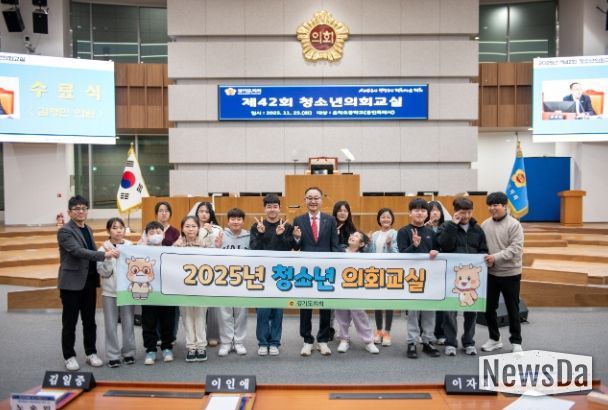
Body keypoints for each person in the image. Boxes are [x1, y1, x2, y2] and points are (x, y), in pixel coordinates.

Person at [58, 195, 119, 371]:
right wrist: (104, 254)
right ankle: (69, 356)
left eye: (84, 208)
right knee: (70, 322)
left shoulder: (88, 229)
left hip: (89, 282)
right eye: (77, 208)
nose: (81, 211)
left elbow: (90, 250)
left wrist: (104, 251)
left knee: (90, 321)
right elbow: (77, 251)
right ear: (69, 212)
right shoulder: (65, 231)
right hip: (71, 283)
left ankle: (91, 353)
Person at [436, 197, 489, 357]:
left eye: (468, 212)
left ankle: (469, 342)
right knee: (450, 310)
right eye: (462, 212)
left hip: (472, 277)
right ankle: (451, 342)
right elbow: (444, 245)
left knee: (471, 310)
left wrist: (483, 258)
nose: (465, 216)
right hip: (452, 276)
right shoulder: (446, 226)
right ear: (455, 212)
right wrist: (453, 225)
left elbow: (483, 249)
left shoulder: (477, 229)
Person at [293, 187, 340, 356]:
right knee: (305, 306)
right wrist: (296, 237)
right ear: (305, 200)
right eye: (309, 198)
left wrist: (336, 267)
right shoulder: (298, 219)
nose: (313, 201)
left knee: (325, 306)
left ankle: (323, 340)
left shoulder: (330, 220)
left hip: (325, 271)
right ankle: (307, 340)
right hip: (305, 271)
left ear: (321, 200)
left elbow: (335, 245)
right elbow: (295, 246)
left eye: (316, 198)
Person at [250, 194, 295, 356]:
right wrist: (260, 234)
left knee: (277, 310)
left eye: (275, 206)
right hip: (262, 274)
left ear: (279, 208)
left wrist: (281, 235)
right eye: (269, 206)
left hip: (280, 273)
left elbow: (291, 247)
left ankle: (275, 342)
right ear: (264, 209)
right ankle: (263, 342)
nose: (272, 209)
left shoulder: (287, 226)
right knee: (262, 311)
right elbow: (253, 248)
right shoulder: (256, 226)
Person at [481, 192, 525, 353]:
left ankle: (516, 342)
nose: (492, 208)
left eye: (496, 205)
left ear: (504, 206)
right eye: (490, 205)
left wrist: (495, 257)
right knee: (489, 308)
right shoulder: (485, 224)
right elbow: (481, 246)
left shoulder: (514, 225)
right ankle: (494, 339)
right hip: (491, 274)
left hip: (510, 273)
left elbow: (516, 249)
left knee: (512, 308)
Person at [397, 198, 441, 359]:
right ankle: (412, 342)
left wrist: (436, 252)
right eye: (416, 210)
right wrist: (414, 246)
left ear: (427, 214)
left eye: (423, 210)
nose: (420, 213)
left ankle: (428, 341)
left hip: (429, 278)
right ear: (410, 213)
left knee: (430, 311)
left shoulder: (431, 233)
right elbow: (401, 256)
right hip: (412, 279)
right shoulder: (403, 232)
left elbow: (437, 252)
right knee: (413, 312)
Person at [97, 217, 135, 368]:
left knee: (128, 322)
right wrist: (108, 258)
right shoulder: (102, 249)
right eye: (114, 228)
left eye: (121, 227)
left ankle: (129, 353)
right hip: (109, 292)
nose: (118, 231)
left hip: (127, 292)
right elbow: (103, 273)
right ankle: (113, 355)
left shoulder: (131, 246)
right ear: (108, 230)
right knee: (110, 325)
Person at [335, 231, 380, 355]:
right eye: (352, 235)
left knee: (359, 315)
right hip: (340, 288)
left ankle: (368, 341)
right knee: (342, 314)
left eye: (356, 236)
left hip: (357, 290)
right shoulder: (339, 251)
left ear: (361, 244)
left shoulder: (364, 256)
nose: (352, 236)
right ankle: (344, 339)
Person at [173, 216, 209, 362]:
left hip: (201, 287)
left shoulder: (205, 244)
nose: (190, 229)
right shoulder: (176, 245)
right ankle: (191, 346)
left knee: (200, 316)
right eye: (187, 226)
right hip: (183, 288)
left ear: (198, 228)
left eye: (193, 226)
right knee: (187, 317)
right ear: (182, 228)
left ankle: (201, 346)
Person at [140, 221, 176, 365]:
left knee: (168, 321)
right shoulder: (140, 251)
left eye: (158, 232)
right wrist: (141, 247)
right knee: (148, 322)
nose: (155, 235)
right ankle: (150, 350)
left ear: (163, 235)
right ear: (146, 235)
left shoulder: (170, 250)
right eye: (151, 233)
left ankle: (167, 348)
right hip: (148, 293)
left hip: (167, 292)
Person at [216, 208, 250, 356]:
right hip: (224, 279)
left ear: (243, 221)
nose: (236, 222)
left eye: (239, 219)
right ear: (228, 221)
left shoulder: (249, 236)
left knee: (241, 312)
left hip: (243, 279)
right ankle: (226, 342)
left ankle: (239, 342)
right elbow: (211, 257)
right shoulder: (221, 235)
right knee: (224, 312)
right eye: (233, 219)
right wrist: (217, 247)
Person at [367, 207, 398, 346]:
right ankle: (379, 330)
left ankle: (387, 332)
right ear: (379, 219)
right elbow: (369, 253)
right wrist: (368, 242)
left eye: (388, 217)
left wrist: (390, 245)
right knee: (377, 302)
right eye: (383, 217)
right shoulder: (374, 235)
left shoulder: (395, 234)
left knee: (389, 302)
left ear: (392, 219)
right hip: (376, 272)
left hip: (390, 272)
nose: (386, 219)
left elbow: (398, 253)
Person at [194, 201, 223, 347]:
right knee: (197, 304)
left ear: (211, 214)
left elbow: (219, 248)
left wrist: (210, 233)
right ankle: (197, 336)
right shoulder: (192, 227)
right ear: (197, 213)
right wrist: (202, 232)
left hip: (213, 268)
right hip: (195, 269)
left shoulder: (218, 229)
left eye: (207, 211)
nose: (204, 214)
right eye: (201, 211)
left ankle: (213, 335)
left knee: (213, 305)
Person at [426, 201, 448, 345]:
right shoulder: (422, 228)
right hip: (426, 271)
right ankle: (424, 333)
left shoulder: (447, 227)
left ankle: (440, 333)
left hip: (442, 270)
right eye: (432, 210)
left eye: (437, 210)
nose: (435, 213)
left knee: (441, 303)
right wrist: (426, 229)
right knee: (426, 302)